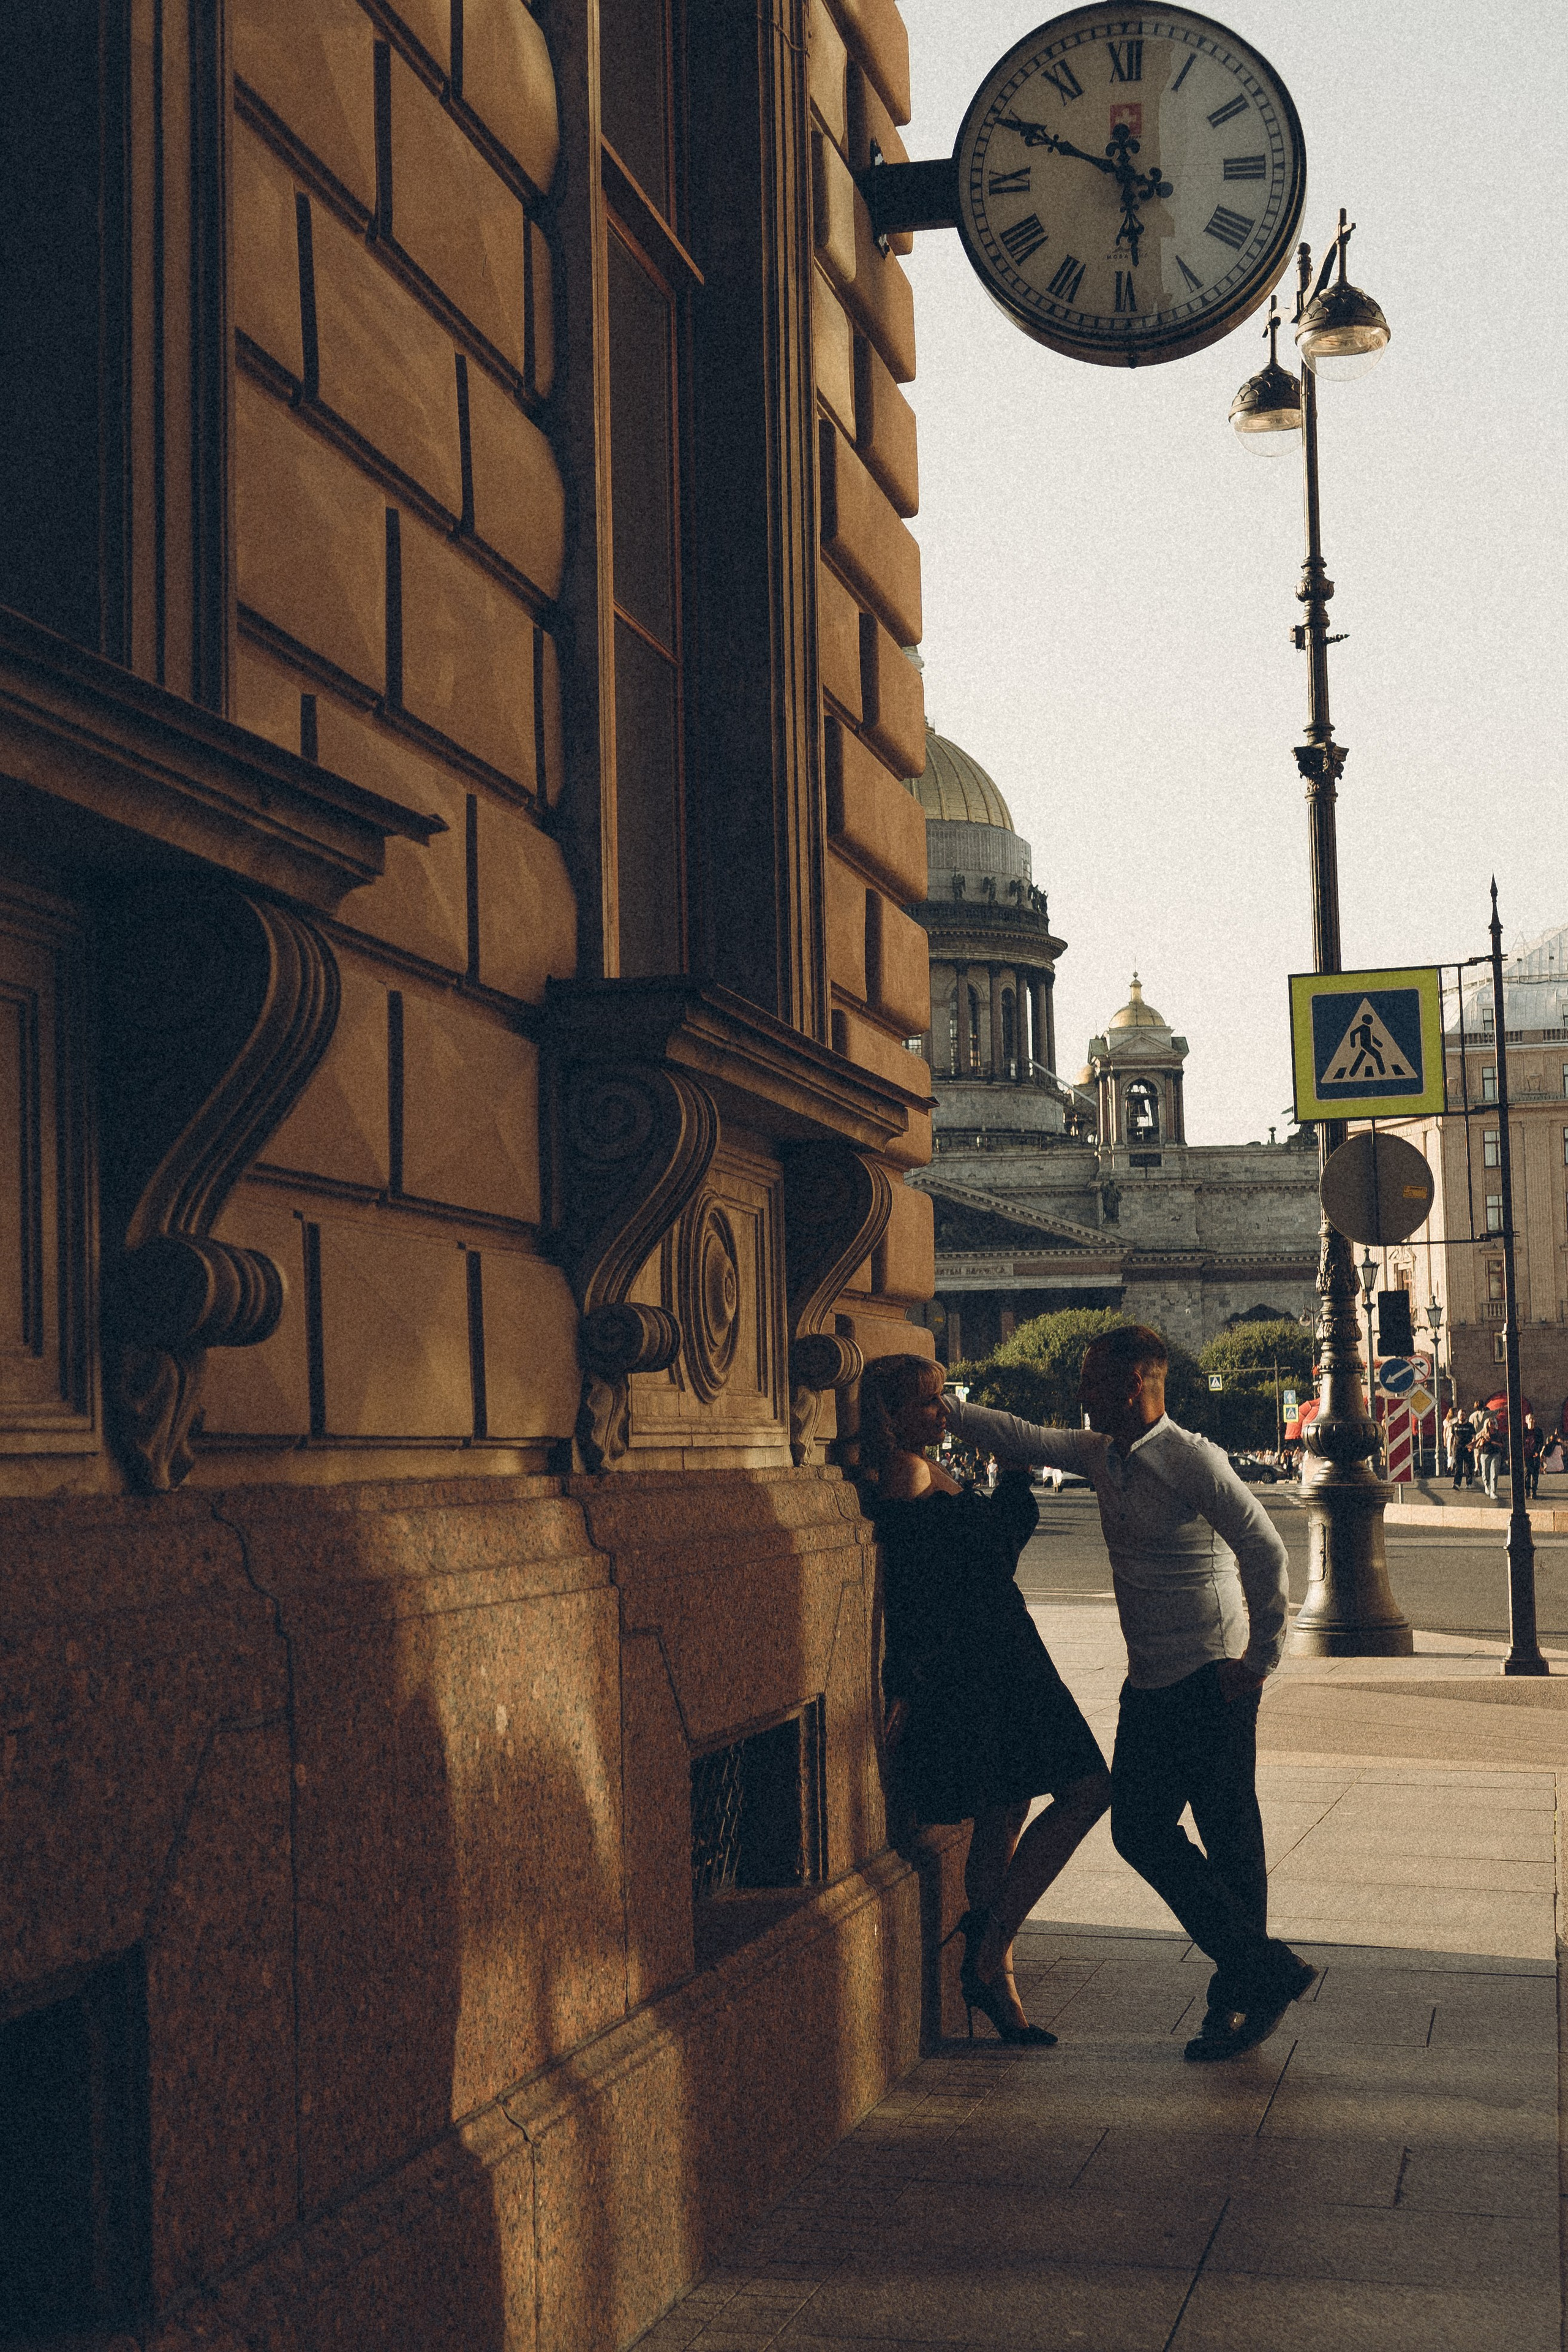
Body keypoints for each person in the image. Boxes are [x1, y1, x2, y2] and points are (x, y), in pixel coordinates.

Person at [946, 1325, 1316, 2064]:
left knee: (1227, 1836)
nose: (1080, 1393)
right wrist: (941, 1405)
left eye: (1091, 1379)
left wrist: (1259, 1660)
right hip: (1147, 1681)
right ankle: (1261, 1969)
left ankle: (1237, 1996)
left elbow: (1264, 1548)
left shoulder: (1190, 1457)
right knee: (1138, 1830)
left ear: (1134, 1384)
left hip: (1211, 1676)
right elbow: (1020, 1435)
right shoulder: (1099, 1453)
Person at [854, 1355, 1111, 2045]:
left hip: (1001, 1650)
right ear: (890, 1414)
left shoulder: (929, 1468)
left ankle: (994, 1973)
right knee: (1086, 1789)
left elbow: (990, 1550)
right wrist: (908, 1681)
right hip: (981, 1659)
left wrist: (1014, 1475)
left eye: (942, 1398)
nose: (942, 1411)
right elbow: (917, 1588)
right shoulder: (908, 1473)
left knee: (1007, 1811)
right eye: (927, 1402)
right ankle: (989, 1953)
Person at [1476, 1406, 1503, 1501]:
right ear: (1487, 1424)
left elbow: (1502, 1444)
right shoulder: (1482, 1434)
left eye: (1494, 1423)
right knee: (1485, 1473)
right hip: (1485, 1454)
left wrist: (1493, 1443)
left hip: (1496, 1454)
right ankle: (1487, 1486)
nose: (1493, 1425)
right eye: (1491, 1423)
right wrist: (1481, 1443)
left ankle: (1493, 1492)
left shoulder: (1497, 1433)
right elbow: (1477, 1445)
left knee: (1494, 1473)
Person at [1449, 1408, 1474, 1491]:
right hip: (1458, 1449)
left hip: (1468, 1448)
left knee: (1468, 1466)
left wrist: (1472, 1446)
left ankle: (1469, 1483)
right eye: (1461, 1415)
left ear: (1466, 1416)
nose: (1462, 1416)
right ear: (1458, 1416)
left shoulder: (1470, 1426)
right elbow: (1452, 1437)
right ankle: (1457, 1484)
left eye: (1464, 1415)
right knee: (1458, 1466)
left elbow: (1474, 1437)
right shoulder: (1455, 1426)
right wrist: (1450, 1449)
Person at [1523, 1412, 1545, 1501]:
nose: (1531, 1421)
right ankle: (1527, 1490)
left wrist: (1538, 1452)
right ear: (1526, 1421)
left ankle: (1534, 1491)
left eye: (1532, 1419)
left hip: (1535, 1454)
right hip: (1527, 1455)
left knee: (1535, 1474)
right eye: (1529, 1419)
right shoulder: (1524, 1431)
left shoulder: (1538, 1431)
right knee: (1527, 1472)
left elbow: (1541, 1443)